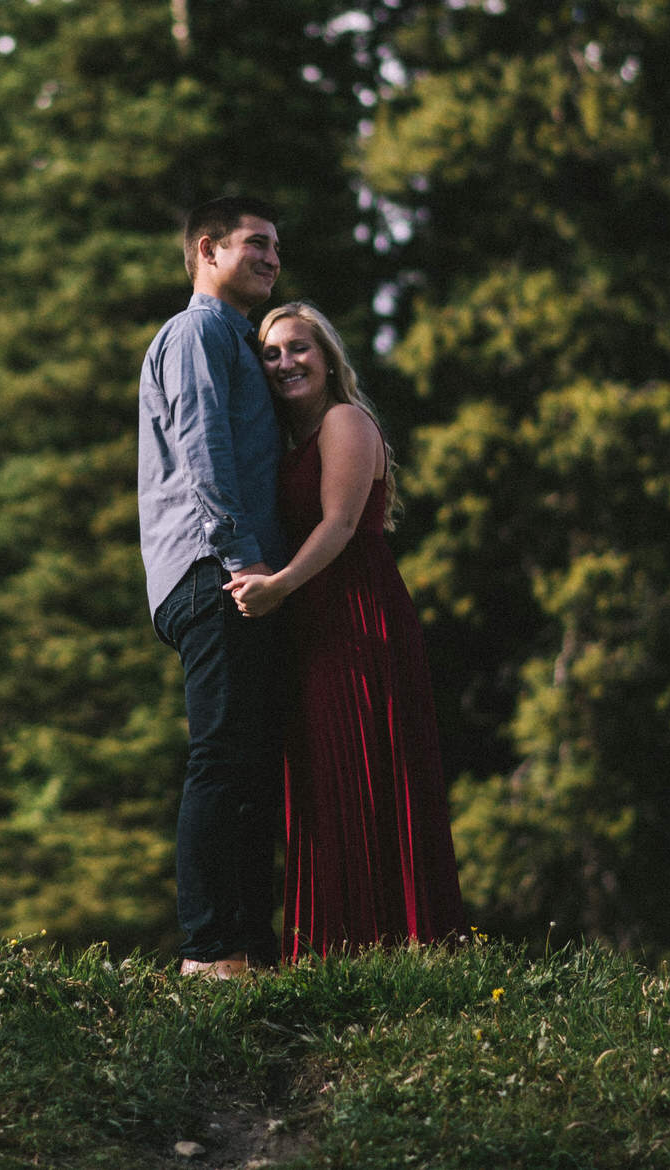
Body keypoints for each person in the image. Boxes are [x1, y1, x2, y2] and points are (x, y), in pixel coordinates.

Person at [228, 302, 464, 959]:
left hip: (359, 620)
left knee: (367, 774)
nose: (285, 363)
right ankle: (337, 950)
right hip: (310, 627)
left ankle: (399, 944)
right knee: (323, 785)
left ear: (329, 358)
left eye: (299, 348)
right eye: (271, 355)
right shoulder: (289, 443)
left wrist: (276, 586)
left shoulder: (345, 422)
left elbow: (337, 523)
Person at [138, 196, 291, 979]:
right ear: (207, 249)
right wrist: (242, 560)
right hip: (214, 569)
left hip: (234, 570)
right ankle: (207, 953)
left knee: (251, 762)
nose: (271, 257)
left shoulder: (237, 340)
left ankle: (249, 947)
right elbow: (203, 451)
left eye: (275, 247)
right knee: (224, 755)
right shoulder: (198, 332)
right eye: (256, 244)